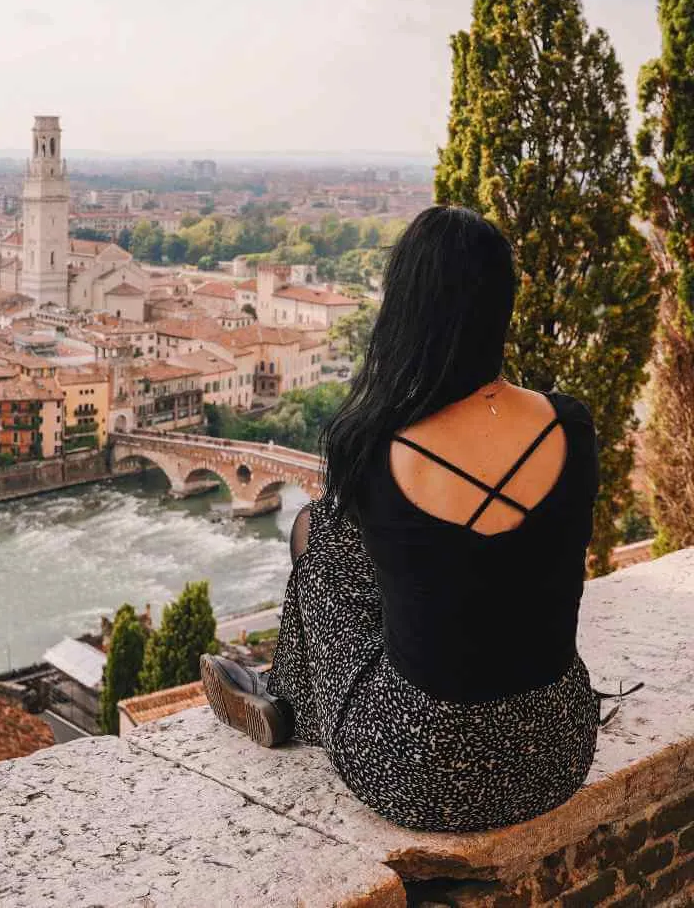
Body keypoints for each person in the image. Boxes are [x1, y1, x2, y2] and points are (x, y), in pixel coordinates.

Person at [201, 204, 640, 834]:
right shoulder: (571, 425)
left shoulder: (377, 443)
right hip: (557, 750)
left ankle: (287, 697)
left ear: (405, 309)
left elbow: (346, 553)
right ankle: (284, 692)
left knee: (321, 555)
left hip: (419, 773)